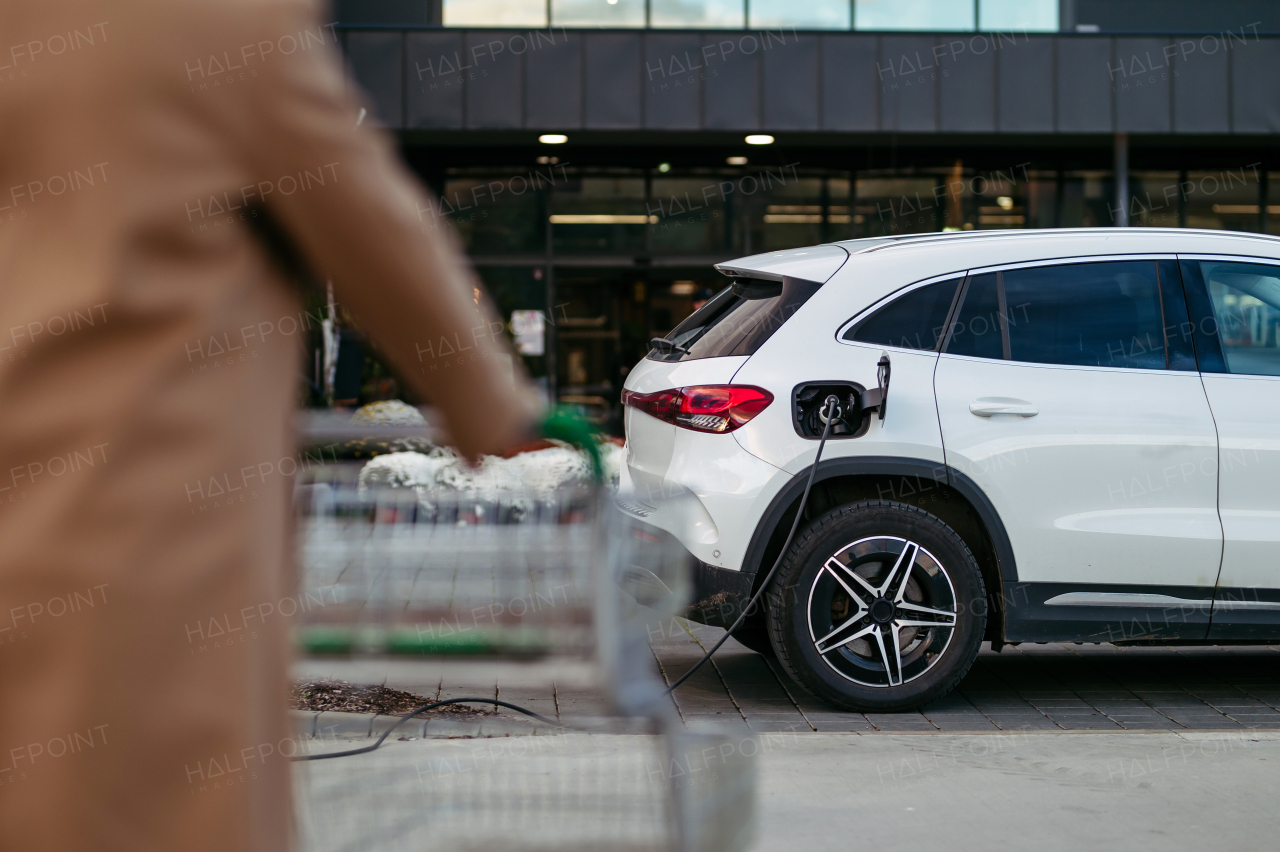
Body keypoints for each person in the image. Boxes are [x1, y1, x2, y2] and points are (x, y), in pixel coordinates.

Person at [0, 1, 541, 850]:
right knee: (167, 792)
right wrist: (494, 406)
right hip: (148, 514)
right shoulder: (215, 23)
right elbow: (371, 227)